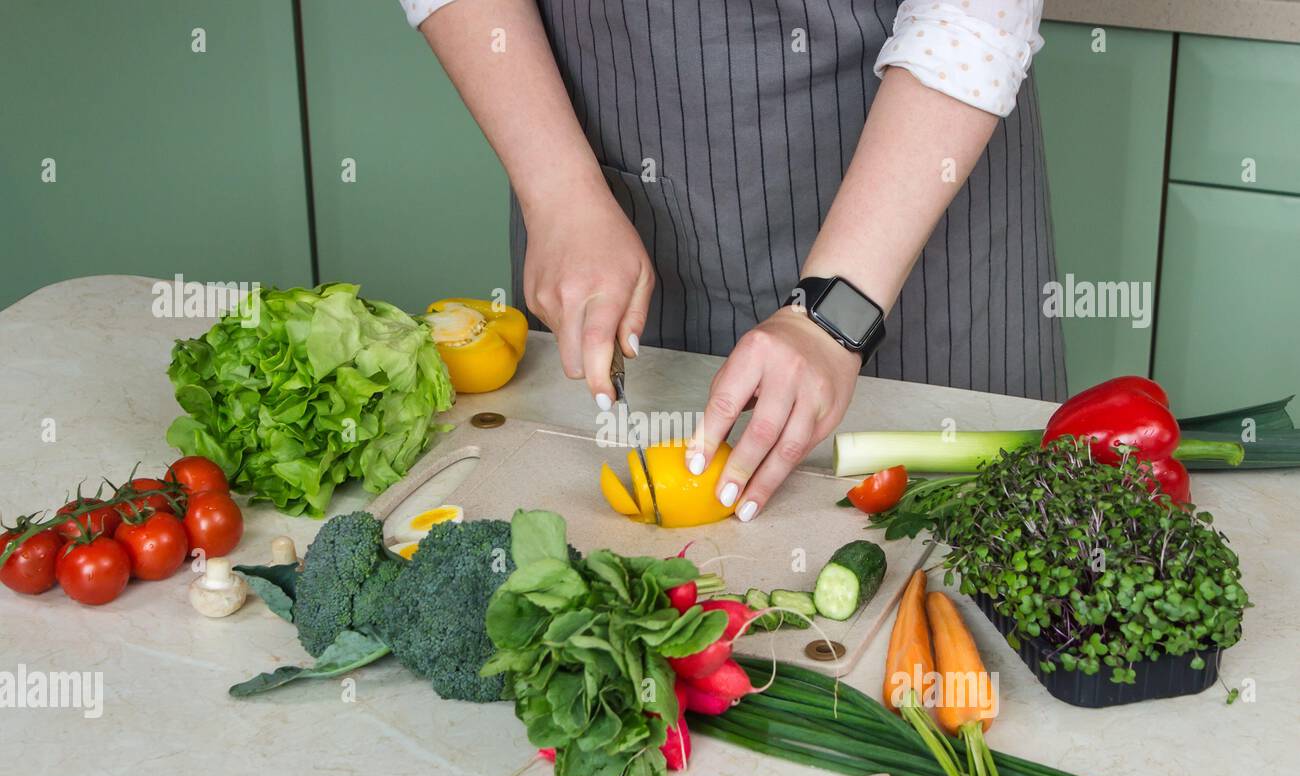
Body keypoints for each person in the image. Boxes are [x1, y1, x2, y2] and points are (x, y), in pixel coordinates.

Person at [405, 0, 1063, 522]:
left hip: (915, 189)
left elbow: (974, 15)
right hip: (605, 177)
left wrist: (837, 310)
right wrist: (557, 190)